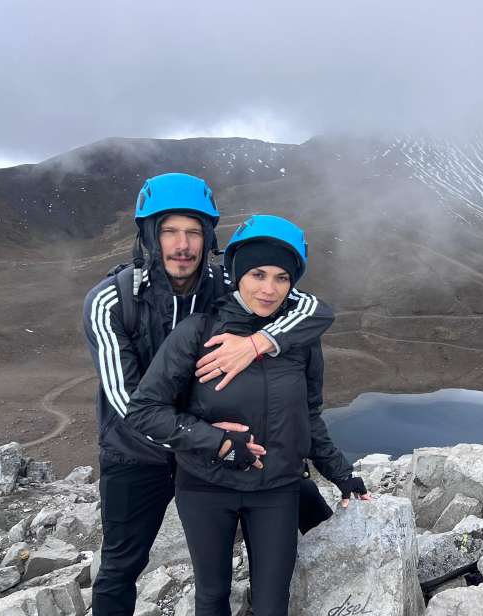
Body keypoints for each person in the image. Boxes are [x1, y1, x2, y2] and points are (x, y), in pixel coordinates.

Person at [81, 174, 335, 616]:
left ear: (209, 237)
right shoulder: (111, 300)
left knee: (301, 509)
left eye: (194, 232)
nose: (183, 244)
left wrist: (259, 342)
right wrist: (204, 439)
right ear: (148, 235)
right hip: (139, 454)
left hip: (220, 454)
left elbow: (314, 310)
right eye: (169, 231)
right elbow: (127, 403)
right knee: (122, 565)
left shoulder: (224, 283)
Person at [125, 214, 370, 616]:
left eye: (281, 278)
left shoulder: (299, 341)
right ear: (237, 274)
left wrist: (342, 473)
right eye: (258, 274)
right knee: (212, 597)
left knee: (273, 604)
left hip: (276, 489)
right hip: (205, 487)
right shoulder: (197, 332)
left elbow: (307, 416)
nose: (269, 289)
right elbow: (145, 411)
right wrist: (217, 442)